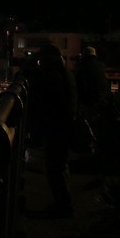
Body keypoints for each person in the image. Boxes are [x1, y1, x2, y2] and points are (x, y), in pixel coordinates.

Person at [26, 44, 77, 218]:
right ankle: (64, 204)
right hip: (62, 126)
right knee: (60, 167)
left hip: (56, 127)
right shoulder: (63, 74)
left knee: (55, 168)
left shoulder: (51, 76)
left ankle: (63, 207)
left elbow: (43, 98)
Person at [76, 46, 110, 122]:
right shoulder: (101, 65)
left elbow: (81, 84)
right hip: (102, 96)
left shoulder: (84, 67)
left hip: (90, 99)